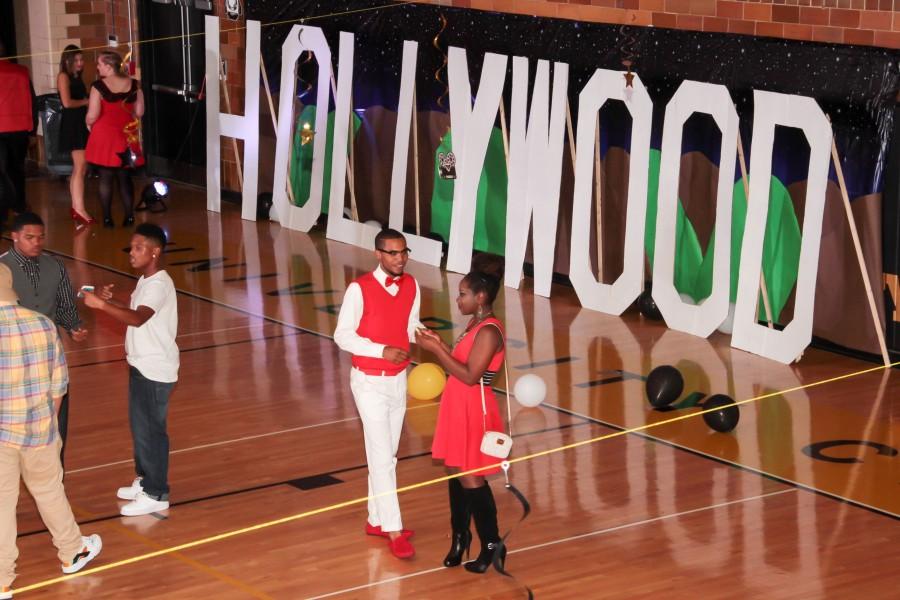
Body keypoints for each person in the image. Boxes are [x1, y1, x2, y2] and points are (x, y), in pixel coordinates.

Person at [0, 264, 102, 599]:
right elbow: (59, 387)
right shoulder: (43, 325)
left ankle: (2, 579)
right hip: (40, 428)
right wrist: (48, 427)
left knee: (1, 504)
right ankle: (72, 551)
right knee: (49, 490)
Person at [334, 228, 422, 559]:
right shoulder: (360, 289)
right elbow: (342, 336)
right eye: (393, 253)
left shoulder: (412, 285)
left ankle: (376, 519)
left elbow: (410, 324)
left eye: (404, 252)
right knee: (383, 458)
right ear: (378, 255)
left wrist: (430, 339)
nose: (400, 258)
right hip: (368, 382)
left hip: (398, 380)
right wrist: (381, 350)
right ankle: (394, 530)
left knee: (388, 455)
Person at [82, 223, 178, 517]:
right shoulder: (146, 282)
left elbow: (137, 319)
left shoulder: (159, 284)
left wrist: (101, 305)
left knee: (152, 431)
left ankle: (156, 492)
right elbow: (136, 310)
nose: (132, 253)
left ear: (155, 251)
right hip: (140, 364)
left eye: (139, 248)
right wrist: (113, 302)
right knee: (141, 429)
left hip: (154, 368)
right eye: (132, 247)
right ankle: (145, 480)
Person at [415, 270, 507, 573]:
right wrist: (439, 343)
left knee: (472, 478)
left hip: (474, 409)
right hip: (458, 405)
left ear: (481, 297)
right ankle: (460, 536)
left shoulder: (490, 331)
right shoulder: (475, 324)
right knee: (455, 469)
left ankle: (492, 543)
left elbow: (470, 376)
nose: (458, 299)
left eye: (463, 293)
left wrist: (437, 349)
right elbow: (463, 364)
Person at [0, 212, 88, 469]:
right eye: (29, 237)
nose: (36, 242)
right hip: (13, 360)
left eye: (40, 237)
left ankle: (55, 476)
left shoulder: (55, 265)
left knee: (56, 424)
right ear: (14, 236)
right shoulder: (2, 268)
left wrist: (74, 327)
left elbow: (64, 305)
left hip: (49, 359)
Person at [84, 50, 143, 228]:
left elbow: (93, 115)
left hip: (104, 137)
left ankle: (108, 218)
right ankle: (129, 216)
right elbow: (140, 112)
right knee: (124, 177)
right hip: (126, 135)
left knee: (105, 177)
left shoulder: (98, 86)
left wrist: (87, 123)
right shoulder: (134, 84)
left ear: (109, 67)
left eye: (100, 64)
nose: (97, 67)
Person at [0, 40, 37, 228]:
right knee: (17, 170)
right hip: (19, 127)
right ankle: (19, 207)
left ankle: (2, 213)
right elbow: (32, 101)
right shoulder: (21, 71)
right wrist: (32, 129)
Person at [56, 45, 93, 225]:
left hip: (80, 122)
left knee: (81, 167)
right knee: (80, 167)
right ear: (67, 61)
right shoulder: (63, 76)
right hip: (72, 124)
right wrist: (88, 101)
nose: (80, 63)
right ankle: (79, 208)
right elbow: (67, 102)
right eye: (76, 60)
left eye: (81, 60)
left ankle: (77, 206)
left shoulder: (77, 77)